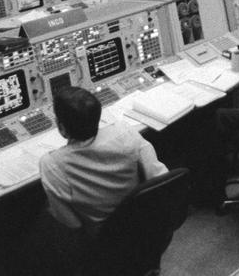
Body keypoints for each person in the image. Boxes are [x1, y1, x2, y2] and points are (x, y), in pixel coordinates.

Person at [36, 86, 167, 267]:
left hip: (104, 237)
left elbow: (71, 223)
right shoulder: (125, 132)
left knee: (43, 213)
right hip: (145, 223)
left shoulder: (51, 164)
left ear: (62, 128)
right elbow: (160, 176)